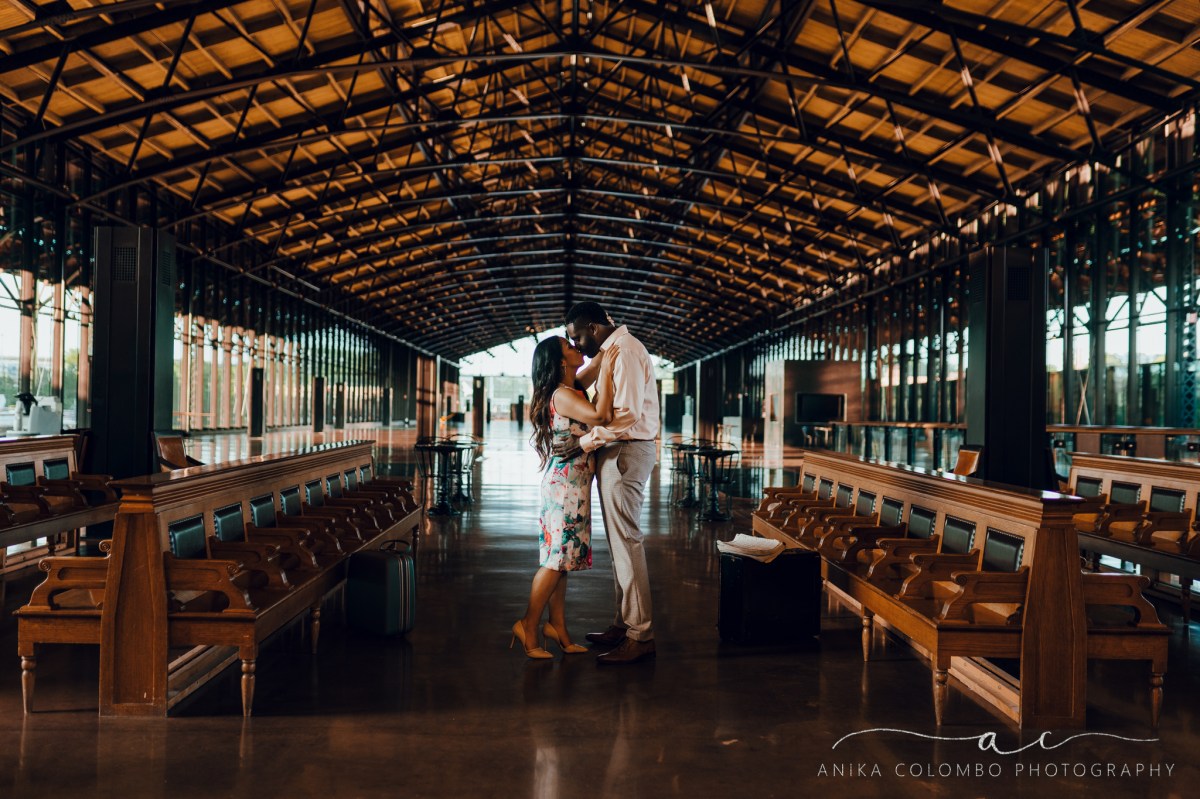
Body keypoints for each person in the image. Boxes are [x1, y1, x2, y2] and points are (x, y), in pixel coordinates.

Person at [558, 301, 660, 665]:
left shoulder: (627, 352)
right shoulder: (612, 349)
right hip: (616, 451)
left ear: (593, 327)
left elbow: (628, 416)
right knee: (620, 544)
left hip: (626, 451)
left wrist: (583, 442)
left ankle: (640, 634)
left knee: (627, 542)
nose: (577, 344)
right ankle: (624, 623)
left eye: (577, 336)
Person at [511, 335, 612, 659]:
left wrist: (612, 346)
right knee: (555, 561)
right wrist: (609, 375)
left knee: (563, 561)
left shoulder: (573, 387)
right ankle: (528, 625)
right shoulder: (565, 395)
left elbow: (597, 363)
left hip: (570, 485)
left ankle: (557, 628)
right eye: (569, 347)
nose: (576, 347)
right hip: (566, 486)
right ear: (559, 362)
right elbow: (600, 416)